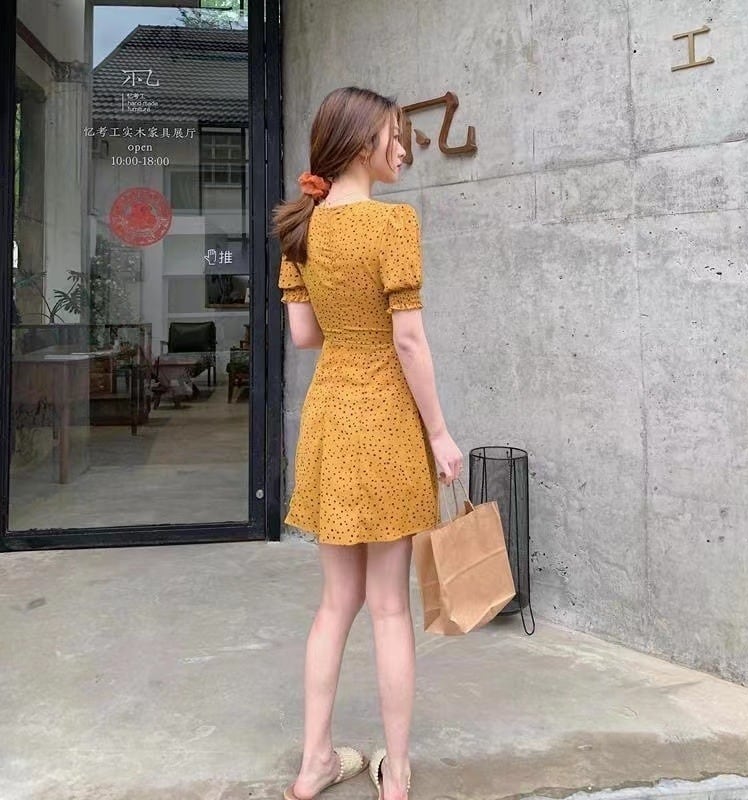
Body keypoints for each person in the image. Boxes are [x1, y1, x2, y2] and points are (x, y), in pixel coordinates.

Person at [273, 86, 463, 800]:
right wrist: (439, 433)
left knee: (335, 604)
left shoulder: (301, 227)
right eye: (394, 135)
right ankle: (398, 772)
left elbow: (304, 335)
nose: (403, 149)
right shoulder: (393, 223)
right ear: (361, 144)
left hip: (330, 416)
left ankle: (314, 763)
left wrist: (345, 316)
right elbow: (408, 339)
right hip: (384, 419)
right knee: (389, 607)